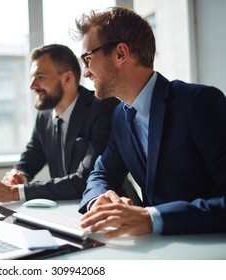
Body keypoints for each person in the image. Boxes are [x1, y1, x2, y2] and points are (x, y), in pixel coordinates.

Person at [74, 6, 226, 237]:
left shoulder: (199, 103)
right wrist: (99, 199)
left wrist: (153, 217)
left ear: (120, 53)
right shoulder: (120, 116)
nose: (85, 72)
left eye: (88, 59)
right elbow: (101, 173)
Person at [0, 44, 121, 203]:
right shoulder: (44, 116)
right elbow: (31, 158)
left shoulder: (103, 108)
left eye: (40, 77)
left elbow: (85, 179)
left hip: (108, 209)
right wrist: (18, 175)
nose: (32, 86)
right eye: (32, 77)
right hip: (63, 209)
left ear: (67, 78)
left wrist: (14, 192)